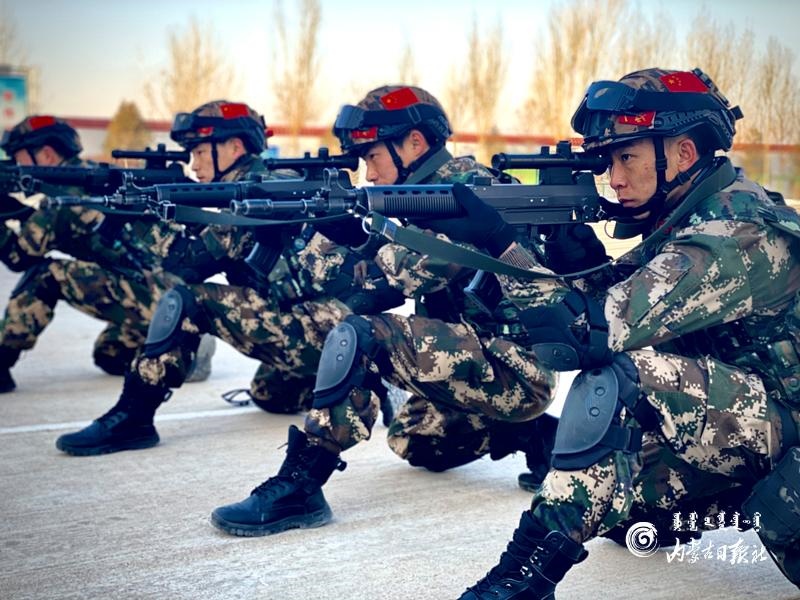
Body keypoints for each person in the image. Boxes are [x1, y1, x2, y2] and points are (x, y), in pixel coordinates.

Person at [426, 68, 800, 598]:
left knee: (619, 378)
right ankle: (732, 497)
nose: (615, 178)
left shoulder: (733, 233)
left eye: (627, 158)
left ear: (684, 154)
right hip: (756, 420)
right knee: (617, 503)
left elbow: (588, 336)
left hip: (785, 427)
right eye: (609, 162)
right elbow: (598, 307)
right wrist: (568, 260)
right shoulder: (686, 220)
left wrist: (503, 245)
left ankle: (521, 579)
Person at [209, 85, 558, 537]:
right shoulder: (417, 197)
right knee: (413, 440)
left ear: (414, 142)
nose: (368, 173)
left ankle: (301, 483)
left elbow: (403, 277)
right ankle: (534, 434)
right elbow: (354, 283)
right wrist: (324, 233)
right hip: (474, 357)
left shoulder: (469, 191)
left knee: (362, 335)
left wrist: (360, 238)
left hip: (516, 367)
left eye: (372, 157)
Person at [54, 98, 405, 455]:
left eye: (200, 152)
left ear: (235, 147)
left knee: (189, 301)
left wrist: (141, 219)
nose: (194, 164)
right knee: (271, 395)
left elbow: (185, 265)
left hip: (327, 327)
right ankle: (371, 376)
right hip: (324, 327)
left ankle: (134, 417)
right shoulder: (268, 181)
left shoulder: (260, 190)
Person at [0, 115, 206, 392]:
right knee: (110, 353)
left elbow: (18, 257)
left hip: (154, 294)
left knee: (44, 275)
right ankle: (178, 344)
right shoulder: (92, 176)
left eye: (18, 156)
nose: (14, 164)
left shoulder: (66, 194)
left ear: (46, 154)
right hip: (168, 292)